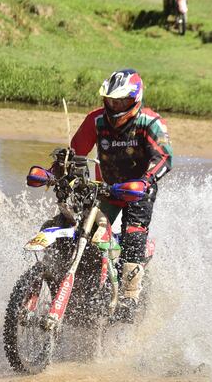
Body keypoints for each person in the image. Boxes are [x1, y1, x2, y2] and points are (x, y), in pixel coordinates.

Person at [69, 69, 173, 323]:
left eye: (122, 101)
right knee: (84, 231)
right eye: (112, 100)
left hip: (139, 191)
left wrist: (146, 181)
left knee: (133, 236)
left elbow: (164, 158)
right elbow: (75, 152)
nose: (115, 106)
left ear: (135, 99)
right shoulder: (96, 120)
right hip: (106, 188)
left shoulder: (150, 122)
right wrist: (58, 172)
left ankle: (130, 296)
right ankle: (84, 289)